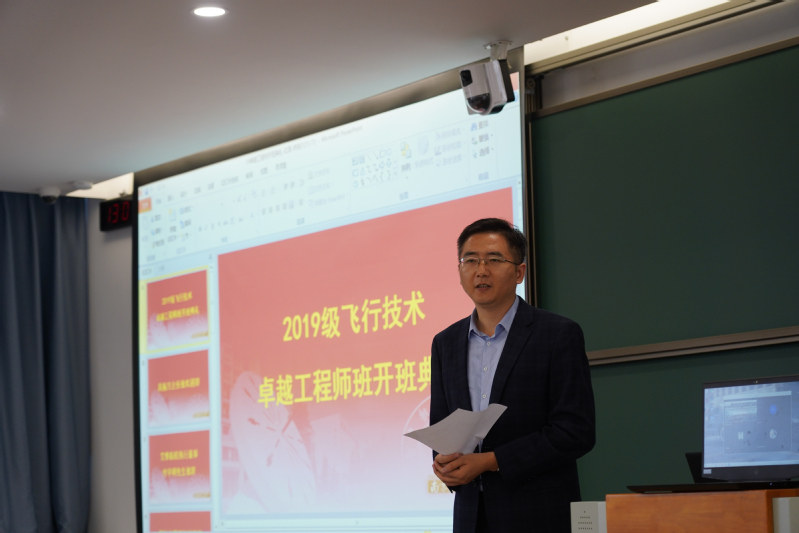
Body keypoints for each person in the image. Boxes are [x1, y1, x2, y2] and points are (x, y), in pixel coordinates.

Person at [430, 218, 596, 533]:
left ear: (519, 272)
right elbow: (442, 426)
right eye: (470, 260)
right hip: (470, 516)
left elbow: (576, 431)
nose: (481, 270)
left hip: (538, 515)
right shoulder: (445, 343)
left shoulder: (557, 334)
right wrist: (444, 463)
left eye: (493, 260)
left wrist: (492, 460)